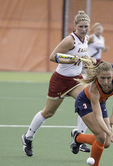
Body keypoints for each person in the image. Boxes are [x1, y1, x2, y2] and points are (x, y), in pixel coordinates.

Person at [22, 11, 96, 157]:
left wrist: (89, 59)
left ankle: (78, 138)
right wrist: (70, 60)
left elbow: (83, 55)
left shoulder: (86, 39)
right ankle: (28, 137)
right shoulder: (70, 40)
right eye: (81, 26)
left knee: (87, 101)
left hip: (76, 79)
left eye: (86, 26)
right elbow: (52, 57)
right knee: (48, 112)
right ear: (75, 26)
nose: (83, 29)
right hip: (60, 80)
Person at [70, 61, 113, 166]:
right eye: (102, 78)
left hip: (101, 102)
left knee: (107, 143)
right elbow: (98, 117)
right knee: (101, 136)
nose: (106, 82)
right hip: (85, 102)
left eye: (108, 78)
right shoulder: (94, 88)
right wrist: (109, 133)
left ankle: (78, 137)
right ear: (97, 76)